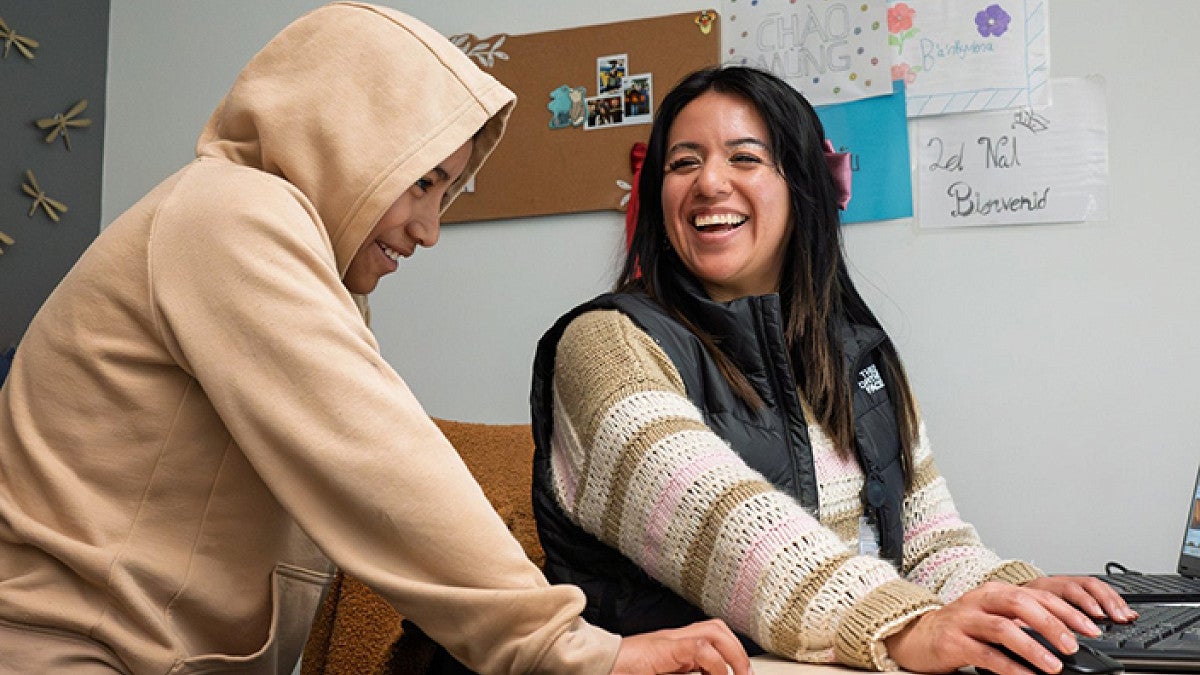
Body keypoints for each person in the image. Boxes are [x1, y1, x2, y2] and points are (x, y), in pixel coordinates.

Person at [0, 5, 751, 674]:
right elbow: (376, 458)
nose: (428, 229)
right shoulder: (229, 215)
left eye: (448, 194)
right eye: (422, 182)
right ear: (341, 132)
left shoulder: (293, 255)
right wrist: (573, 649)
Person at [530, 65, 1136, 675]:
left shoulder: (857, 351)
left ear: (803, 187)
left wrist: (1017, 599)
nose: (709, 182)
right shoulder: (604, 346)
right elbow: (726, 524)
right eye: (683, 163)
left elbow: (925, 540)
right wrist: (906, 626)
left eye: (745, 158)